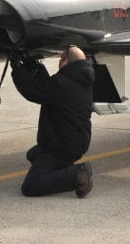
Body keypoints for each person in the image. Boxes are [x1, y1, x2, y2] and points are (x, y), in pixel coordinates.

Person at [8, 45, 95, 198]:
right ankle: (64, 168)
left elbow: (33, 90)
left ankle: (77, 175)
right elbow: (47, 86)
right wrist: (31, 64)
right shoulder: (79, 79)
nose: (59, 63)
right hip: (73, 142)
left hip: (61, 147)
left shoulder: (64, 84)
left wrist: (17, 69)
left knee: (30, 187)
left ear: (66, 62)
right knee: (33, 154)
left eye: (61, 60)